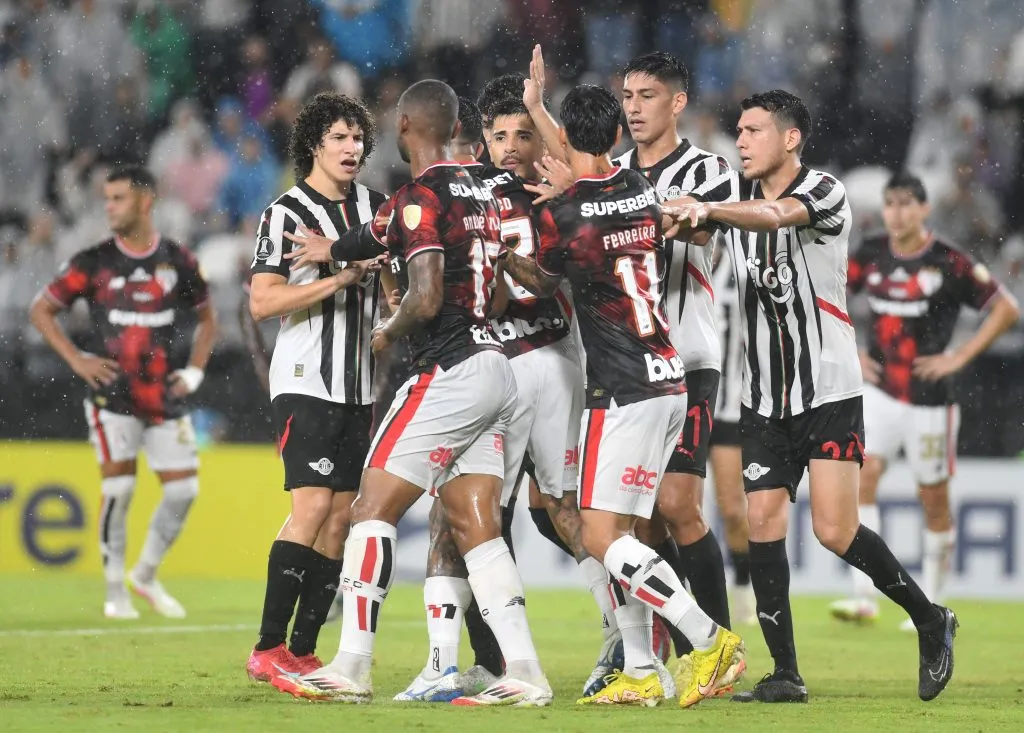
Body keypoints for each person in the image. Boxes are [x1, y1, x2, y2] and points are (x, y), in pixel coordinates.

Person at [670, 90, 958, 704]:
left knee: (834, 529)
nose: (741, 142)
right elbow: (696, 238)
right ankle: (786, 674)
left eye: (752, 131)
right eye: (738, 132)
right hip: (762, 397)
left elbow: (776, 218)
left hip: (828, 389)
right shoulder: (737, 209)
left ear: (790, 137)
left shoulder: (825, 191)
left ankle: (931, 620)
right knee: (763, 524)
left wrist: (708, 211)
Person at [272, 79, 553, 707]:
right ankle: (527, 671)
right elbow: (377, 236)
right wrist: (333, 248)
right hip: (500, 363)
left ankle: (352, 664)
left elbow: (424, 299)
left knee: (369, 509)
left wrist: (386, 328)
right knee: (477, 524)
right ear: (459, 126)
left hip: (448, 369)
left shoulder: (418, 196)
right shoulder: (487, 185)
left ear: (404, 126)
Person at [503, 82, 742, 709]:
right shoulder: (640, 191)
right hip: (668, 375)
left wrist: (505, 249)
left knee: (603, 536)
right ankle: (640, 669)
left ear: (568, 143)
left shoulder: (564, 213)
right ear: (615, 136)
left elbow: (539, 278)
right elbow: (593, 185)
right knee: (625, 529)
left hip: (623, 385)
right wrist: (553, 146)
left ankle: (707, 639)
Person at [29, 165, 218, 620]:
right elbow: (41, 310)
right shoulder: (93, 261)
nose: (109, 207)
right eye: (106, 199)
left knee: (183, 491)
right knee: (119, 488)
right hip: (111, 395)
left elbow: (209, 320)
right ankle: (115, 589)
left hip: (161, 395)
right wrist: (77, 360)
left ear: (144, 201)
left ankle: (145, 574)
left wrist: (193, 372)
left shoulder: (178, 261)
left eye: (117, 198)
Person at [831, 172, 1019, 628]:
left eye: (905, 204)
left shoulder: (948, 262)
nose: (896, 213)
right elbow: (830, 295)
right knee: (865, 477)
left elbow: (1006, 307)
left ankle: (932, 604)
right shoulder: (871, 253)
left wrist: (958, 357)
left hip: (931, 400)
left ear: (923, 208)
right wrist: (853, 349)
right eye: (890, 204)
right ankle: (864, 598)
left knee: (932, 497)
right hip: (880, 392)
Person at [244, 92, 388, 683]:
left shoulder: (377, 209)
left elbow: (393, 290)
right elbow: (263, 301)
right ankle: (267, 647)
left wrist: (389, 304)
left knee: (341, 516)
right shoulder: (285, 212)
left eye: (357, 138)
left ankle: (302, 650)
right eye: (339, 138)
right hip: (305, 378)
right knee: (311, 506)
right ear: (313, 145)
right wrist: (340, 280)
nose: (352, 148)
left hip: (359, 383)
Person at [612, 50, 741, 693]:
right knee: (630, 521)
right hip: (622, 365)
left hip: (688, 359)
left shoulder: (708, 170)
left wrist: (612, 223)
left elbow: (698, 227)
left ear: (678, 103)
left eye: (647, 95)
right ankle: (652, 648)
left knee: (678, 503)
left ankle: (717, 650)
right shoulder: (610, 171)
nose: (633, 107)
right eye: (628, 95)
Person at [708, 243, 756, 625]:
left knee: (733, 509)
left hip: (728, 405)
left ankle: (742, 587)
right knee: (672, 508)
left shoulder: (740, 270)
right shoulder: (673, 263)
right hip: (684, 402)